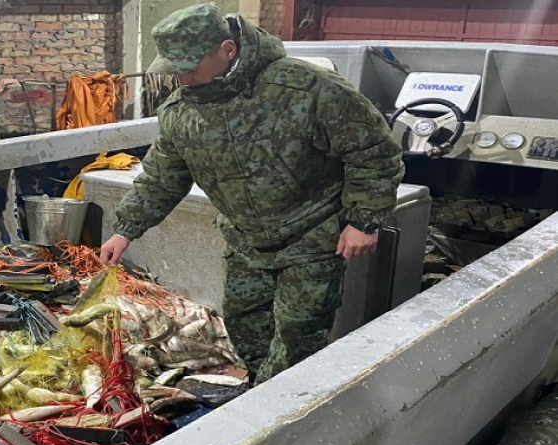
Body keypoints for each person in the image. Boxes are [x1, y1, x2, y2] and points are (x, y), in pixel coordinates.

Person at [99, 4, 404, 384]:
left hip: (312, 236)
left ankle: (287, 412)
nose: (183, 77)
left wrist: (364, 220)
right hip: (245, 242)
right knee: (244, 327)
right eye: (175, 68)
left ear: (227, 49)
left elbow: (374, 152)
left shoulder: (305, 88)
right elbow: (163, 176)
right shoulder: (182, 113)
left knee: (297, 335)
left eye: (191, 65)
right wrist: (125, 229)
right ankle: (262, 392)